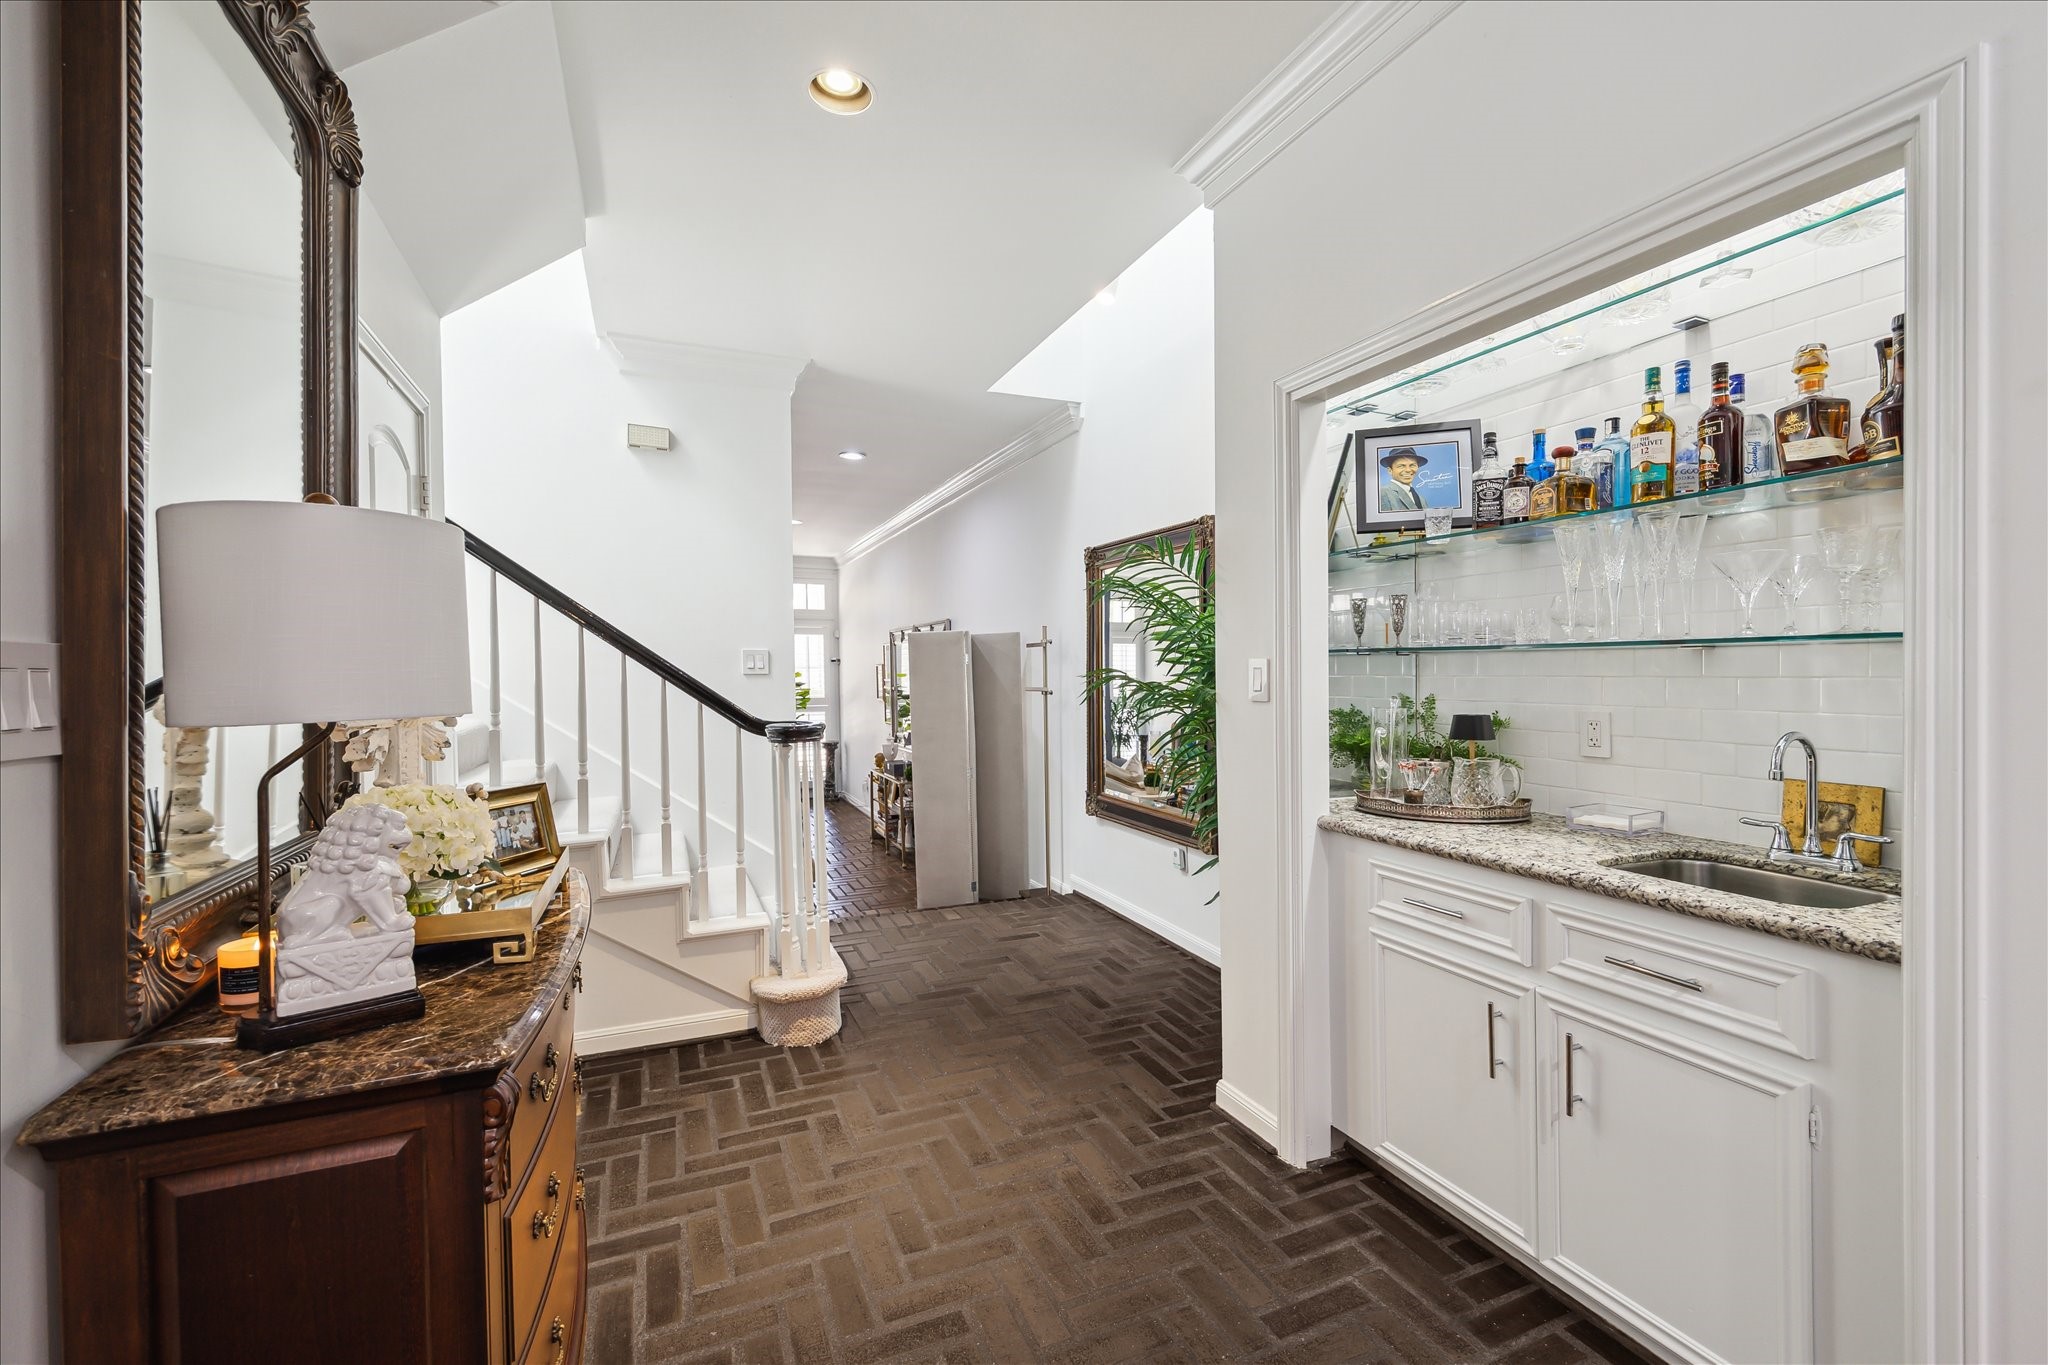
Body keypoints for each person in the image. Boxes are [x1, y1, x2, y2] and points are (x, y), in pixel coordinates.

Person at [1379, 446, 1430, 512]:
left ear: (1418, 467)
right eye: (1401, 466)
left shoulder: (1422, 499)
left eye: (1412, 465)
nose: (1408, 470)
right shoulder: (1383, 494)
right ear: (1390, 470)